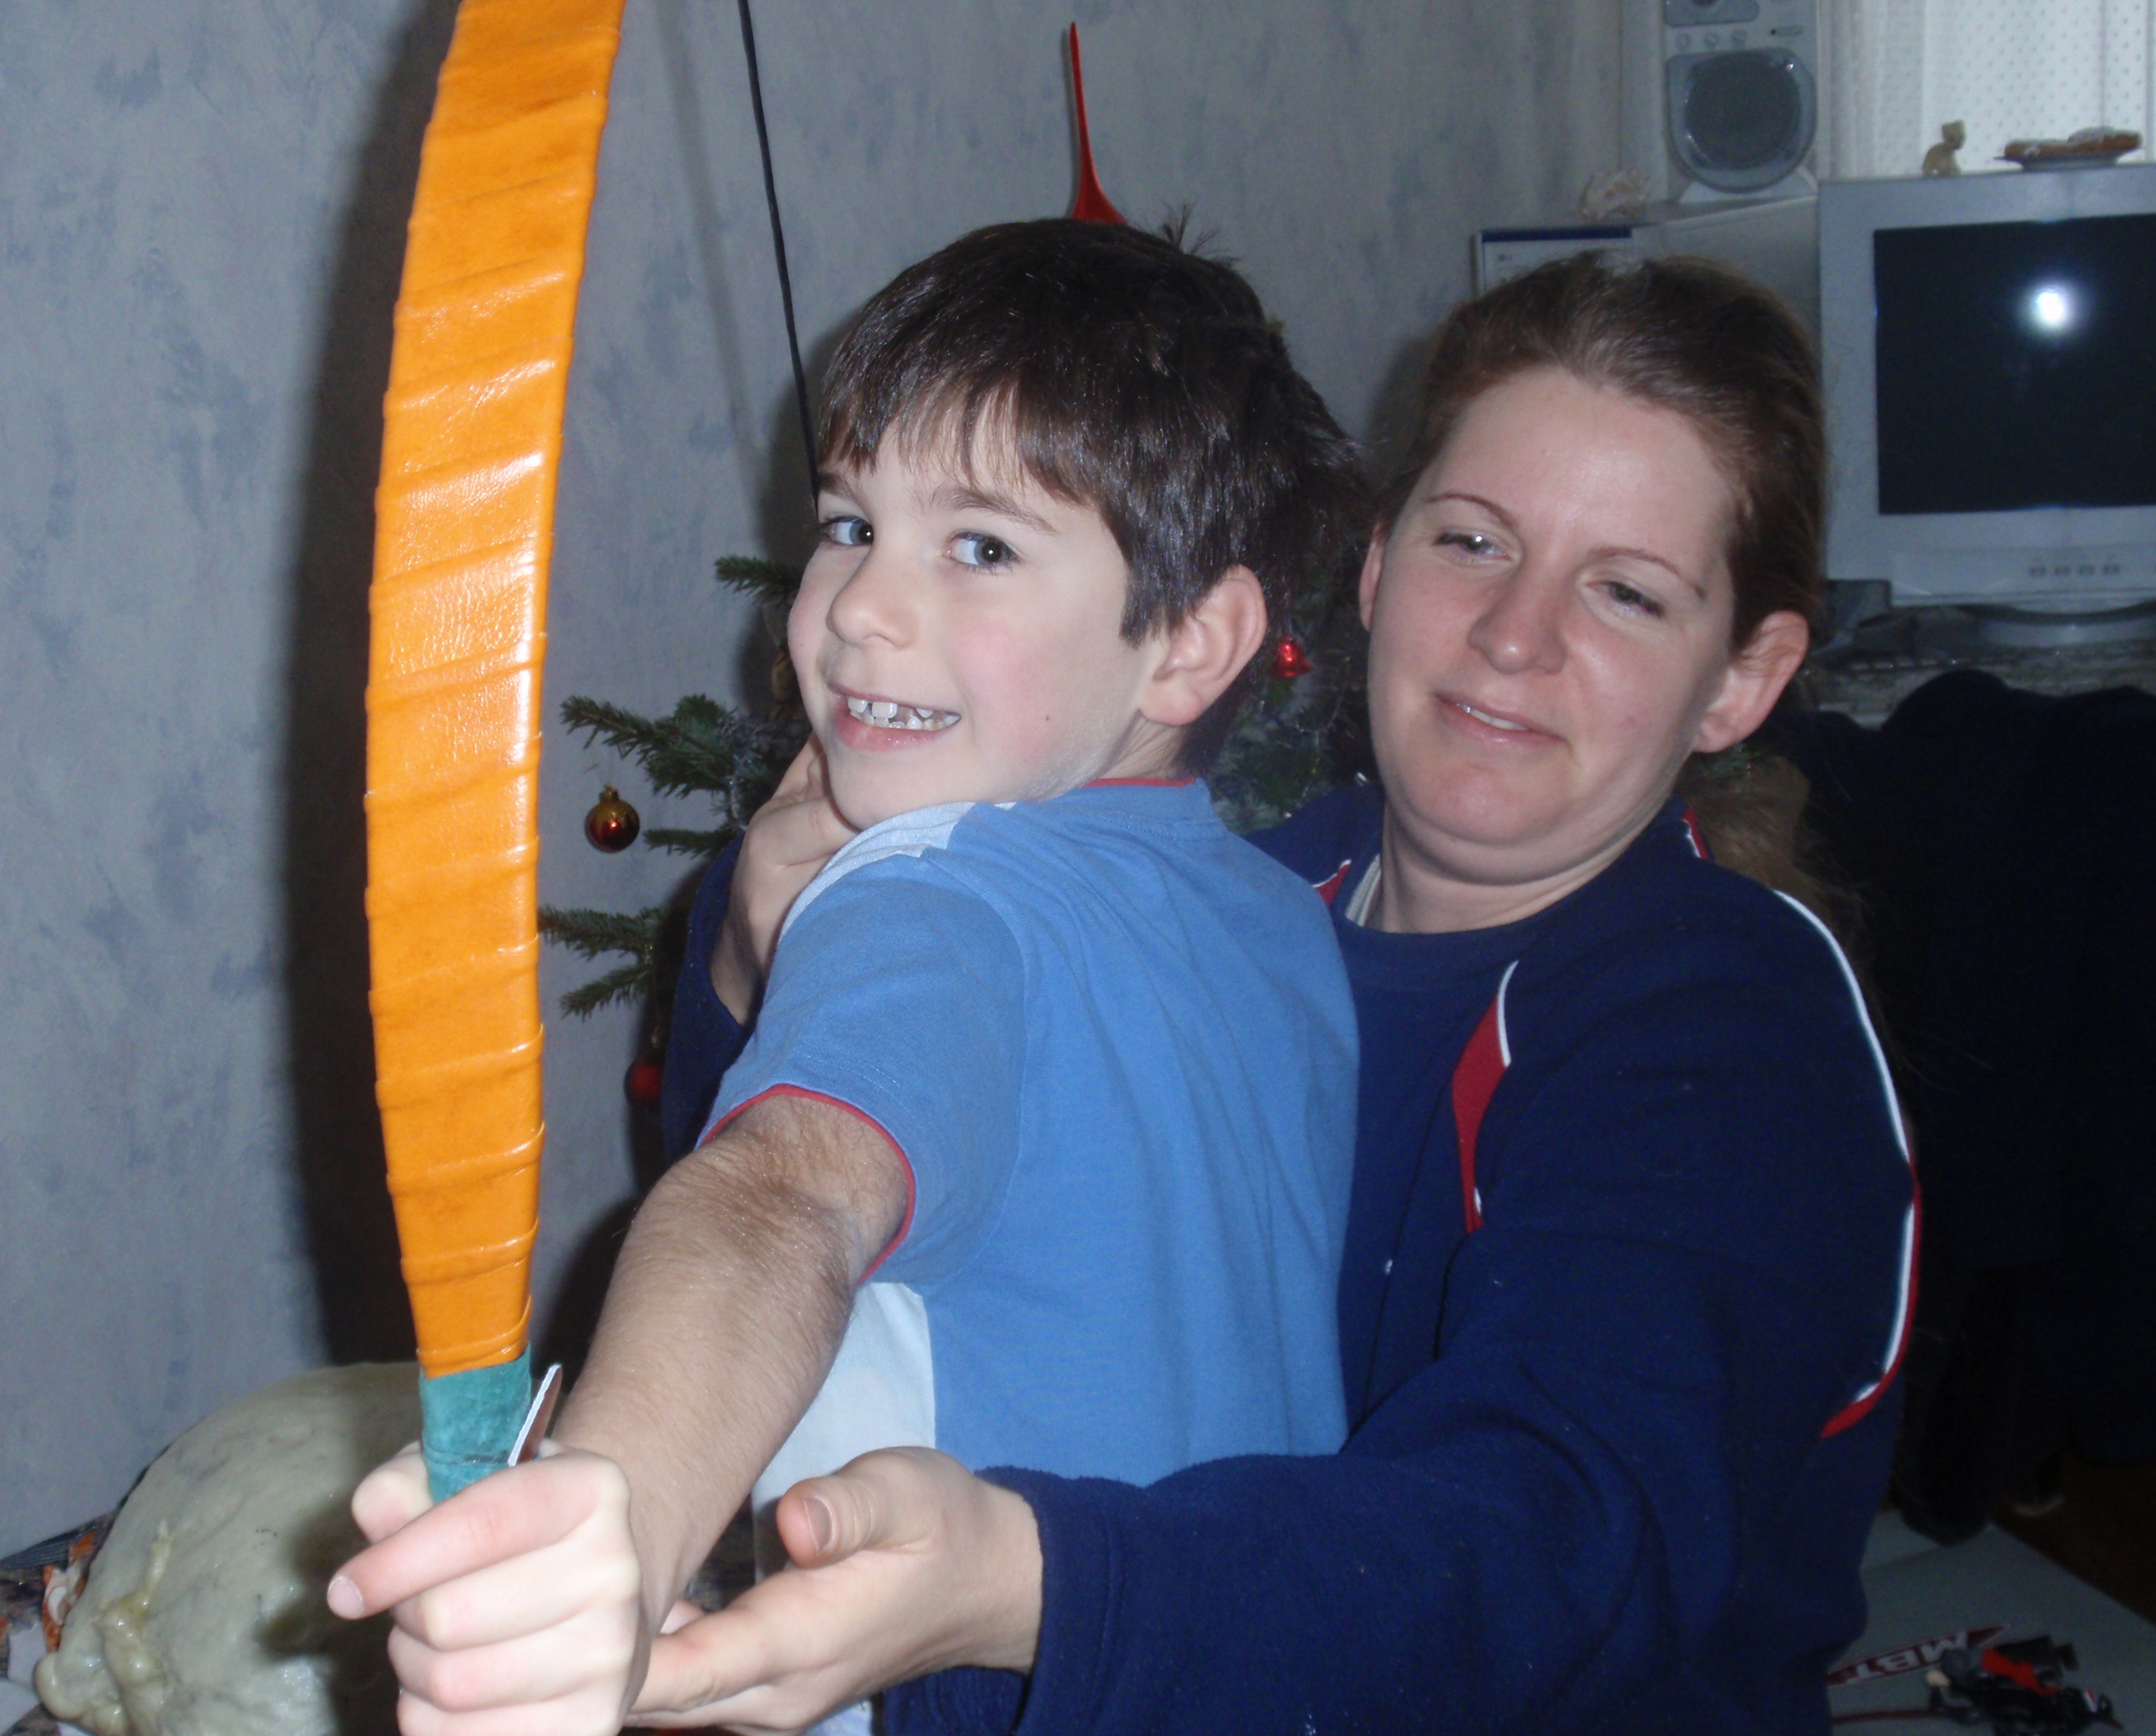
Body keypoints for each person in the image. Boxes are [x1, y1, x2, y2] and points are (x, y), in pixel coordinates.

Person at [625, 253, 1920, 1736]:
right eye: (1472, 540)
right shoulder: (1243, 898)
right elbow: (817, 1203)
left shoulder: (1734, 1032)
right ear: (1375, 568)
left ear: (1742, 680)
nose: (1515, 635)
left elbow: (1557, 1540)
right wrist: (760, 958)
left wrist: (1039, 1584)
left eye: (1625, 594)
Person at [329, 219, 1375, 1735]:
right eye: (846, 523)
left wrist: (612, 1520)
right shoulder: (1286, 920)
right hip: (1228, 1660)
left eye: (981, 548)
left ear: (1190, 643)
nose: (860, 609)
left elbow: (783, 1198)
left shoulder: (930, 890)